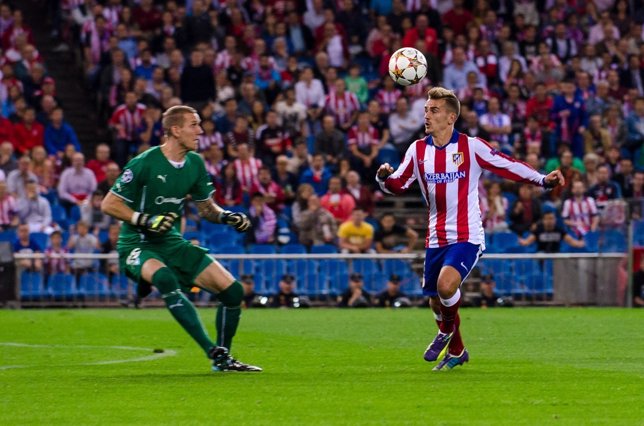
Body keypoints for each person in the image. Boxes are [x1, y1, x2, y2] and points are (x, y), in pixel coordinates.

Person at [375, 87, 565, 370]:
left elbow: (506, 166)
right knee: (437, 304)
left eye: (434, 110)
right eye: (427, 109)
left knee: (446, 285)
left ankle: (445, 333)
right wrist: (382, 178)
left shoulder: (471, 147)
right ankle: (458, 350)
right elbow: (399, 184)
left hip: (467, 235)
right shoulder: (418, 150)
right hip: (436, 237)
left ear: (451, 117)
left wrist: (541, 180)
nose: (427, 115)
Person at [101, 105, 261, 372]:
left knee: (233, 292)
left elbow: (206, 208)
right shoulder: (144, 162)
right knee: (165, 278)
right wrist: (145, 219)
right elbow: (109, 204)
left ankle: (224, 360)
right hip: (138, 242)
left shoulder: (196, 163)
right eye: (194, 125)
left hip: (171, 241)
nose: (201, 131)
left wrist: (227, 216)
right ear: (175, 130)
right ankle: (212, 351)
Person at [518, 211, 585, 253]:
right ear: (543, 220)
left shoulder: (559, 230)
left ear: (555, 220)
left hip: (556, 255)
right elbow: (527, 242)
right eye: (547, 218)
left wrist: (580, 243)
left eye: (551, 218)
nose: (549, 221)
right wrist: (521, 241)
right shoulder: (538, 231)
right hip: (542, 255)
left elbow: (571, 241)